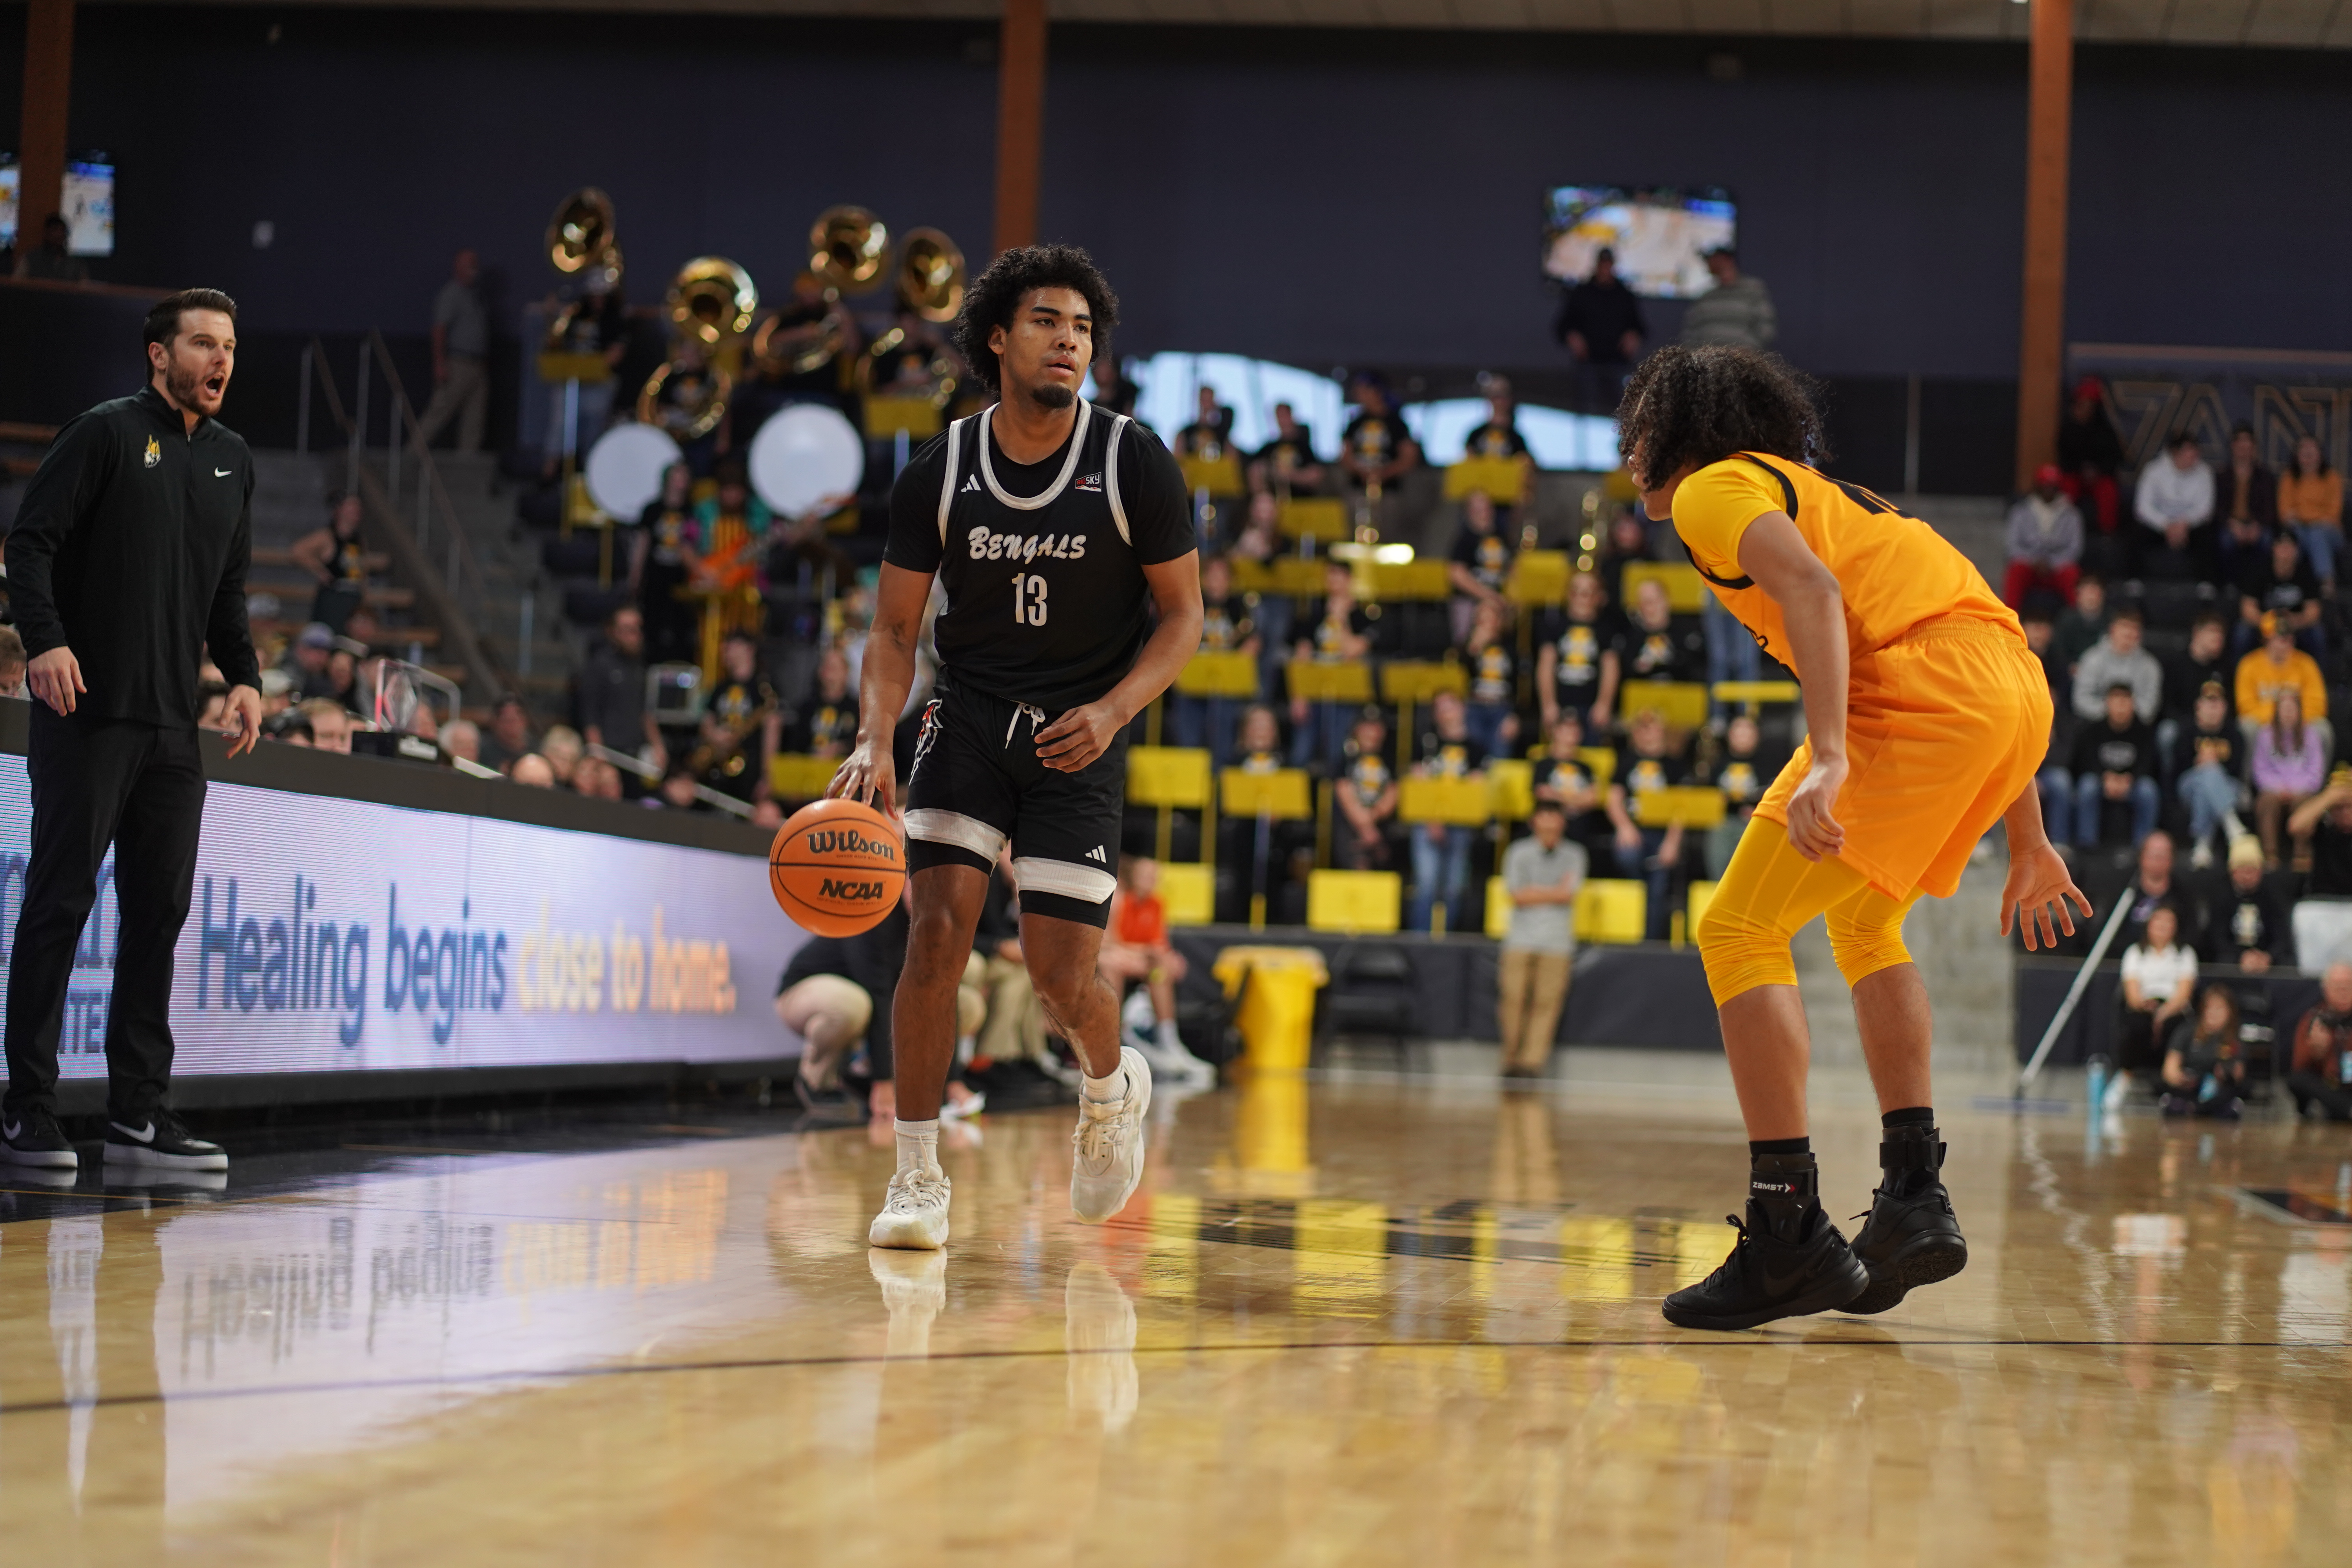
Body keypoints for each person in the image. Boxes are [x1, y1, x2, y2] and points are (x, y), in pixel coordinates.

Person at [1618, 344, 2083, 1331]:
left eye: (1642, 426)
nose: (1633, 449)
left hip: (1913, 696)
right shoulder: (1834, 491)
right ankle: (1914, 1190)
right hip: (2008, 692)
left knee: (1737, 930)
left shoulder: (1714, 490)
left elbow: (1816, 596)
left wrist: (1829, 756)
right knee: (1867, 923)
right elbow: (1984, 663)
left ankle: (1786, 1232)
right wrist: (2029, 836)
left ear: (1682, 434)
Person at [828, 244, 1200, 1252]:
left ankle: (1111, 1084)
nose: (1069, 341)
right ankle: (914, 1177)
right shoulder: (941, 469)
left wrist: (1117, 709)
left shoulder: (1131, 459)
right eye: (1047, 322)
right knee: (936, 936)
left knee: (1057, 978)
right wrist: (875, 736)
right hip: (971, 718)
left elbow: (1183, 619)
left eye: (1082, 328)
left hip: (1083, 731)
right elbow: (896, 630)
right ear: (999, 338)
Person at [2, 288, 265, 1173]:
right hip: (86, 717)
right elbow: (29, 544)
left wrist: (247, 681)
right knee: (59, 906)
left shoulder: (233, 460)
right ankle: (26, 1109)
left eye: (227, 346)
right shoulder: (107, 432)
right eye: (201, 343)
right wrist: (47, 643)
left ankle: (138, 1116)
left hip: (171, 732)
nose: (219, 360)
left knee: (159, 918)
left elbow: (226, 596)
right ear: (159, 354)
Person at [1099, 857, 1213, 1084]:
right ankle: (1114, 1039)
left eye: (1154, 877)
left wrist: (1167, 958)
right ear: (1134, 878)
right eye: (1146, 876)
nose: (1151, 881)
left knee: (1162, 971)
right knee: (1114, 967)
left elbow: (1159, 945)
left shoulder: (1156, 903)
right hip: (1120, 958)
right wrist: (1143, 953)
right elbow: (1110, 942)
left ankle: (1168, 1039)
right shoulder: (1121, 901)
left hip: (1140, 962)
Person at [1497, 799, 1585, 1080]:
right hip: (1520, 939)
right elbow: (1516, 895)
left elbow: (1568, 894)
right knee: (1513, 999)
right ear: (1534, 821)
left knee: (1547, 1004)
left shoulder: (1575, 854)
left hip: (1558, 942)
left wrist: (1534, 891)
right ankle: (1510, 1059)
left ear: (1562, 822)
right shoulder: (1518, 852)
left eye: (1554, 816)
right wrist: (1552, 892)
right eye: (1543, 816)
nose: (1548, 822)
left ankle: (1531, 1065)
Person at [1603, 707, 1689, 940]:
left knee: (1659, 887)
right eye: (1642, 728)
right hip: (1633, 830)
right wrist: (1624, 827)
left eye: (1651, 728)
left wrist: (1672, 843)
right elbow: (1613, 798)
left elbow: (1680, 809)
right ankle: (1627, 934)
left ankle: (1649, 941)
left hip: (1661, 834)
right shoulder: (1626, 760)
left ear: (1661, 731)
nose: (1647, 733)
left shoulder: (1674, 764)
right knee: (1628, 861)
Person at [1407, 691, 1488, 934]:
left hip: (1460, 823)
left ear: (1462, 709)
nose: (1446, 713)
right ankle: (1420, 939)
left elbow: (1476, 789)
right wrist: (1434, 818)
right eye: (1440, 709)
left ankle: (1446, 939)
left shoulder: (1475, 748)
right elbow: (1418, 783)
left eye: (1451, 706)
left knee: (1454, 887)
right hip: (1427, 821)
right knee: (1427, 884)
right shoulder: (1426, 744)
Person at [1169, 553, 1258, 769]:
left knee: (1223, 742)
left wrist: (1241, 655)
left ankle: (1219, 785)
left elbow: (1253, 642)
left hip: (1225, 684)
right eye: (1212, 575)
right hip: (1193, 680)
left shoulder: (1240, 607)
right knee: (1188, 739)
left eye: (1222, 575)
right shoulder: (1192, 603)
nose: (1217, 580)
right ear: (1203, 578)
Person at [2053, 683, 2158, 849]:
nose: (2121, 708)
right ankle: (2087, 845)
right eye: (2116, 702)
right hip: (2102, 781)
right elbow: (2086, 761)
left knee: (2148, 791)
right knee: (2087, 787)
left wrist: (2130, 779)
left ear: (2133, 704)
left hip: (2131, 783)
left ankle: (2143, 847)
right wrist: (2105, 777)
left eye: (2125, 702)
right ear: (2107, 704)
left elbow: (2149, 763)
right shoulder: (2093, 730)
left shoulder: (2144, 732)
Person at [413, 249, 490, 455]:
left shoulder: (476, 296)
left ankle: (467, 469)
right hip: (457, 363)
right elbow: (439, 330)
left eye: (476, 265)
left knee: (475, 421)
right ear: (458, 268)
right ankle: (411, 456)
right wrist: (440, 363)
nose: (475, 270)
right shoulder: (451, 294)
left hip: (478, 366)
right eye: (470, 266)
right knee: (439, 411)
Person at [1553, 247, 1646, 414]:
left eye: (1608, 264)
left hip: (1617, 362)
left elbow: (1639, 326)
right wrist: (1572, 336)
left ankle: (1621, 440)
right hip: (1587, 362)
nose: (1605, 268)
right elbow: (1563, 326)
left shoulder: (1624, 294)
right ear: (1597, 266)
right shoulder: (1581, 293)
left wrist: (1634, 336)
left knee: (1622, 409)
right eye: (1602, 264)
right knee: (1586, 409)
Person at [2116, 903, 2197, 1094]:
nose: (2162, 927)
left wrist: (2163, 1013)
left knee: (2176, 1028)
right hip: (2145, 1006)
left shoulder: (2184, 954)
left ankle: (2168, 1081)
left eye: (2168, 922)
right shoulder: (2135, 953)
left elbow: (2184, 993)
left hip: (2173, 1008)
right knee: (2137, 1026)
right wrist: (2146, 1007)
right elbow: (2132, 993)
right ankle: (2124, 1078)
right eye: (2158, 921)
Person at [575, 605, 665, 777]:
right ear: (614, 632)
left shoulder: (640, 667)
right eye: (629, 629)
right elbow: (589, 715)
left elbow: (646, 712)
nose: (635, 635)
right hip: (610, 755)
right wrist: (597, 751)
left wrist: (658, 746)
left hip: (636, 756)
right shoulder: (599, 666)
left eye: (638, 629)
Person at [697, 631, 780, 806]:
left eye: (732, 648)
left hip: (750, 768)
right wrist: (714, 735)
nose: (726, 653)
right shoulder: (720, 687)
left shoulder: (764, 688)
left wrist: (768, 776)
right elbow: (707, 720)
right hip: (718, 762)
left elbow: (773, 731)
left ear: (749, 650)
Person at [2167, 682, 2245, 864]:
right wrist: (2199, 765)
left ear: (2225, 708)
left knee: (2206, 786)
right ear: (2198, 707)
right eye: (2208, 705)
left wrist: (2213, 766)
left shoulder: (2234, 734)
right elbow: (2178, 768)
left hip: (2226, 785)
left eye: (2217, 705)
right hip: (2189, 783)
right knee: (2206, 775)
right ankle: (2231, 822)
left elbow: (2237, 770)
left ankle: (2202, 844)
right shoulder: (2186, 731)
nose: (2212, 710)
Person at [633, 463, 700, 663]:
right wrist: (635, 575)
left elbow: (695, 546)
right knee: (652, 625)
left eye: (684, 476)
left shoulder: (691, 511)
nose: (680, 481)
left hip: (681, 579)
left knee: (681, 626)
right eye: (676, 476)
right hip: (655, 577)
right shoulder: (653, 510)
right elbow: (642, 544)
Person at [2251, 688, 2326, 867]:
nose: (2289, 714)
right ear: (2277, 711)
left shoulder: (2312, 735)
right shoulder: (2265, 735)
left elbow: (2316, 770)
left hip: (2302, 789)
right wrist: (2279, 788)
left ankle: (2302, 854)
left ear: (2300, 711)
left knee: (2305, 802)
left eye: (2292, 709)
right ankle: (2270, 855)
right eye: (2284, 709)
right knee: (2266, 802)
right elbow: (2260, 770)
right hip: (2274, 789)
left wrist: (2294, 788)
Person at [1538, 572, 1614, 733]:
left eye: (1587, 593)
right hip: (1560, 705)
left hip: (1591, 708)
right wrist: (1548, 704)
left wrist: (1604, 704)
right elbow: (1546, 665)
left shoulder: (1605, 630)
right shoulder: (1555, 627)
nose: (1581, 598)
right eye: (1576, 592)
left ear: (1598, 597)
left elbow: (1611, 668)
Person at [2002, 464, 2083, 610]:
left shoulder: (2072, 514)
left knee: (2072, 574)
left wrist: (2052, 563)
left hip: (2058, 567)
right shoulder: (2020, 512)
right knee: (2015, 571)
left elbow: (2075, 547)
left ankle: (2075, 618)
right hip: (2029, 565)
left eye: (2053, 486)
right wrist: (2033, 561)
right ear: (2037, 485)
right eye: (2045, 485)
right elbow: (2012, 545)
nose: (2049, 489)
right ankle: (2010, 620)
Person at [2133, 433, 2214, 579]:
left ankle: (2206, 585)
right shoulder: (2153, 471)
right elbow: (2142, 508)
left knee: (2208, 535)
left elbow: (2205, 509)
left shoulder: (2205, 472)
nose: (2194, 456)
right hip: (2160, 525)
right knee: (2138, 533)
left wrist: (2184, 525)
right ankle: (2136, 582)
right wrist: (2166, 526)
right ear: (2175, 453)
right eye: (2189, 452)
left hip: (2189, 526)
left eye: (2195, 451)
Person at [2158, 984, 2244, 1118]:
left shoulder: (2234, 1038)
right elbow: (2170, 1069)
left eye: (2219, 1009)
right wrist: (2181, 1079)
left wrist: (2226, 1075)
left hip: (2219, 1093)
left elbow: (2238, 1072)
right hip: (2189, 1088)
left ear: (2230, 1012)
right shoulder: (2186, 1031)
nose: (2213, 1014)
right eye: (2210, 1008)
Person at [2236, 528, 2324, 659]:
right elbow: (2247, 608)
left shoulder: (2306, 572)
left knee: (2317, 633)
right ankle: (2237, 675)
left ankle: (2322, 677)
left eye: (2290, 546)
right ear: (2274, 548)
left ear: (2297, 550)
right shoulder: (2259, 570)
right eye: (2281, 546)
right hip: (2265, 623)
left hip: (2295, 624)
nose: (2285, 551)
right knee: (2243, 632)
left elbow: (2314, 611)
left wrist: (2295, 622)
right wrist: (2267, 623)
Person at [288, 491, 368, 633]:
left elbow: (361, 569)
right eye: (351, 508)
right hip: (334, 599)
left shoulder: (358, 540)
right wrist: (320, 571)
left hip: (352, 598)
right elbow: (297, 551)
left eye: (358, 509)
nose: (356, 513)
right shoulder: (327, 536)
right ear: (339, 510)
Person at [2068, 604, 2161, 726]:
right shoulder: (2092, 659)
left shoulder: (2150, 666)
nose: (2129, 633)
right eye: (2124, 627)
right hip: (2096, 726)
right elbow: (2081, 700)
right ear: (2112, 630)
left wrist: (2125, 713)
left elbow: (2150, 707)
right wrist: (2110, 711)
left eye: (2134, 629)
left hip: (2137, 729)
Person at [2056, 376, 2125, 537]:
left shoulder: (2105, 429)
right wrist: (2081, 469)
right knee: (2067, 488)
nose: (2086, 408)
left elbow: (2115, 457)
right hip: (2075, 474)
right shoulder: (2068, 428)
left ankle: (2107, 536)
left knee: (2108, 490)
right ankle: (2062, 532)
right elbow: (2064, 457)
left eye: (2090, 404)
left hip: (2099, 476)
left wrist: (2098, 470)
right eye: (2082, 403)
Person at [2234, 613, 2327, 730]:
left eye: (2289, 639)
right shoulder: (2249, 664)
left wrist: (2292, 718)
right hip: (2263, 725)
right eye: (2280, 639)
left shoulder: (2306, 663)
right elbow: (2246, 707)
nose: (2285, 645)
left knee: (2322, 728)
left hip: (2299, 725)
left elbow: (2318, 705)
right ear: (2267, 640)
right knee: (2246, 726)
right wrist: (2278, 717)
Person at [1333, 708, 1399, 871]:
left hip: (1381, 824)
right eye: (1367, 727)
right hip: (1351, 824)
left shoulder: (1390, 758)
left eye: (1377, 727)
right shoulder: (1346, 758)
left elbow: (1394, 791)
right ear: (1357, 729)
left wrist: (1374, 816)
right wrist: (1366, 827)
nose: (1372, 733)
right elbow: (1344, 791)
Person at [2286, 962, 2352, 1122]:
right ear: (2326, 990)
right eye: (2338, 987)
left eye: (2348, 986)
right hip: (2330, 1086)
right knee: (2298, 1081)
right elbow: (2298, 1066)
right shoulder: (2313, 1019)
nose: (2343, 991)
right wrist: (2316, 1052)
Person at [1679, 248, 1777, 351]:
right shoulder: (1706, 297)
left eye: (1714, 258)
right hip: (1708, 362)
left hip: (1743, 361)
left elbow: (1766, 325)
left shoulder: (1753, 290)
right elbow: (1690, 332)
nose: (1709, 263)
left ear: (1728, 260)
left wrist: (1750, 350)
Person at [1337, 374, 1419, 498]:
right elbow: (1345, 454)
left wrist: (1383, 474)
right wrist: (1362, 472)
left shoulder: (1396, 423)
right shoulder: (1355, 424)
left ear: (1378, 391)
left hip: (1390, 491)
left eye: (1365, 391)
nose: (1360, 396)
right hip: (1358, 489)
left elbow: (1409, 456)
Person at [2212, 836, 2286, 970]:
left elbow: (2281, 934)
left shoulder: (2272, 896)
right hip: (2233, 959)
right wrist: (2240, 957)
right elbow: (2217, 937)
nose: (2248, 876)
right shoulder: (2222, 896)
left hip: (2266, 958)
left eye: (2252, 871)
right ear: (2232, 872)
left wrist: (2268, 956)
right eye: (2243, 871)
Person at [2278, 434, 2343, 584]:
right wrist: (2316, 516)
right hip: (2300, 529)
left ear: (2320, 454)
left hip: (2330, 533)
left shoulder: (2332, 478)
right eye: (2303, 449)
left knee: (2316, 534)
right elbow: (2285, 515)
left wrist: (2302, 515)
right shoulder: (2289, 478)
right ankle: (2289, 586)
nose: (2308, 453)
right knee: (2294, 535)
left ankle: (2327, 585)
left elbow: (2333, 516)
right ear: (2296, 455)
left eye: (2312, 449)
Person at [1461, 597, 1518, 757]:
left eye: (1490, 618)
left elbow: (1519, 683)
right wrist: (1473, 650)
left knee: (1499, 756)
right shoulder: (1468, 647)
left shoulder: (1510, 647)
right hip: (1475, 706)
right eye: (1482, 619)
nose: (1486, 625)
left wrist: (1515, 715)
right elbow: (1461, 677)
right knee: (1474, 755)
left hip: (1502, 707)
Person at [2285, 768, 2352, 894]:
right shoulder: (2324, 829)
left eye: (2350, 807)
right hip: (2322, 900)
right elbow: (2295, 827)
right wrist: (2328, 797)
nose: (2345, 813)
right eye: (2339, 808)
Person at [791, 644, 858, 760]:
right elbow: (795, 746)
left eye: (835, 668)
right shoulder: (807, 708)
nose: (830, 673)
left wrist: (840, 748)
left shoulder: (857, 709)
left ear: (846, 672)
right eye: (826, 666)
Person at [1247, 402, 1325, 497]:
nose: (1282, 419)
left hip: (1301, 497)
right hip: (1272, 500)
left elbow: (1316, 475)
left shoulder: (1304, 446)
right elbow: (1254, 467)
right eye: (1279, 416)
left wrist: (1286, 475)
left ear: (1291, 416)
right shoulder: (1269, 447)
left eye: (1284, 415)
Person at [14, 213, 87, 282]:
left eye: (62, 231)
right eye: (55, 230)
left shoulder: (74, 264)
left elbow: (84, 287)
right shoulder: (30, 259)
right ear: (47, 233)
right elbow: (17, 284)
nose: (59, 235)